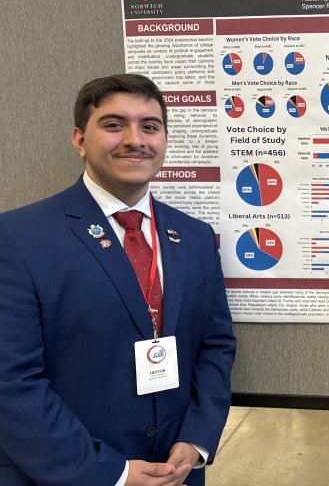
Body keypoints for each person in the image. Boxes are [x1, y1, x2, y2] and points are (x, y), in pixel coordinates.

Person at [0, 74, 237, 486]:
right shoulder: (18, 238)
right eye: (113, 125)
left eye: (150, 126)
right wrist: (112, 473)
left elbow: (215, 346)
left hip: (175, 471)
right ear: (79, 139)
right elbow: (10, 382)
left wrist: (196, 440)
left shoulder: (195, 237)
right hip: (66, 474)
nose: (135, 139)